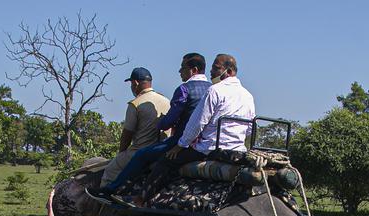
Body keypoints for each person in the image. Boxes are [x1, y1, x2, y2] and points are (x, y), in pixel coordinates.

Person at [142, 53, 255, 201]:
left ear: (229, 72)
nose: (211, 72)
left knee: (165, 162)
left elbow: (198, 123)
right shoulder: (248, 95)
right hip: (238, 150)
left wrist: (180, 146)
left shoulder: (215, 90)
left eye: (216, 68)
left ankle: (142, 199)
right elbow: (249, 129)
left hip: (210, 149)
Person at [97, 53, 210, 194]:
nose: (179, 71)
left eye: (182, 68)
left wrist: (161, 123)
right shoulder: (212, 89)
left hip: (181, 141)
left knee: (137, 157)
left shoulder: (184, 89)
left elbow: (167, 122)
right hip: (206, 142)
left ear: (193, 70)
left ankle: (109, 191)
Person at [98, 68, 170, 187]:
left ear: (135, 83)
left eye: (131, 84)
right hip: (162, 151)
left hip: (140, 151)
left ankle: (104, 197)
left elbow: (127, 134)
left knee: (110, 171)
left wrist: (121, 154)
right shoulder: (166, 101)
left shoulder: (135, 104)